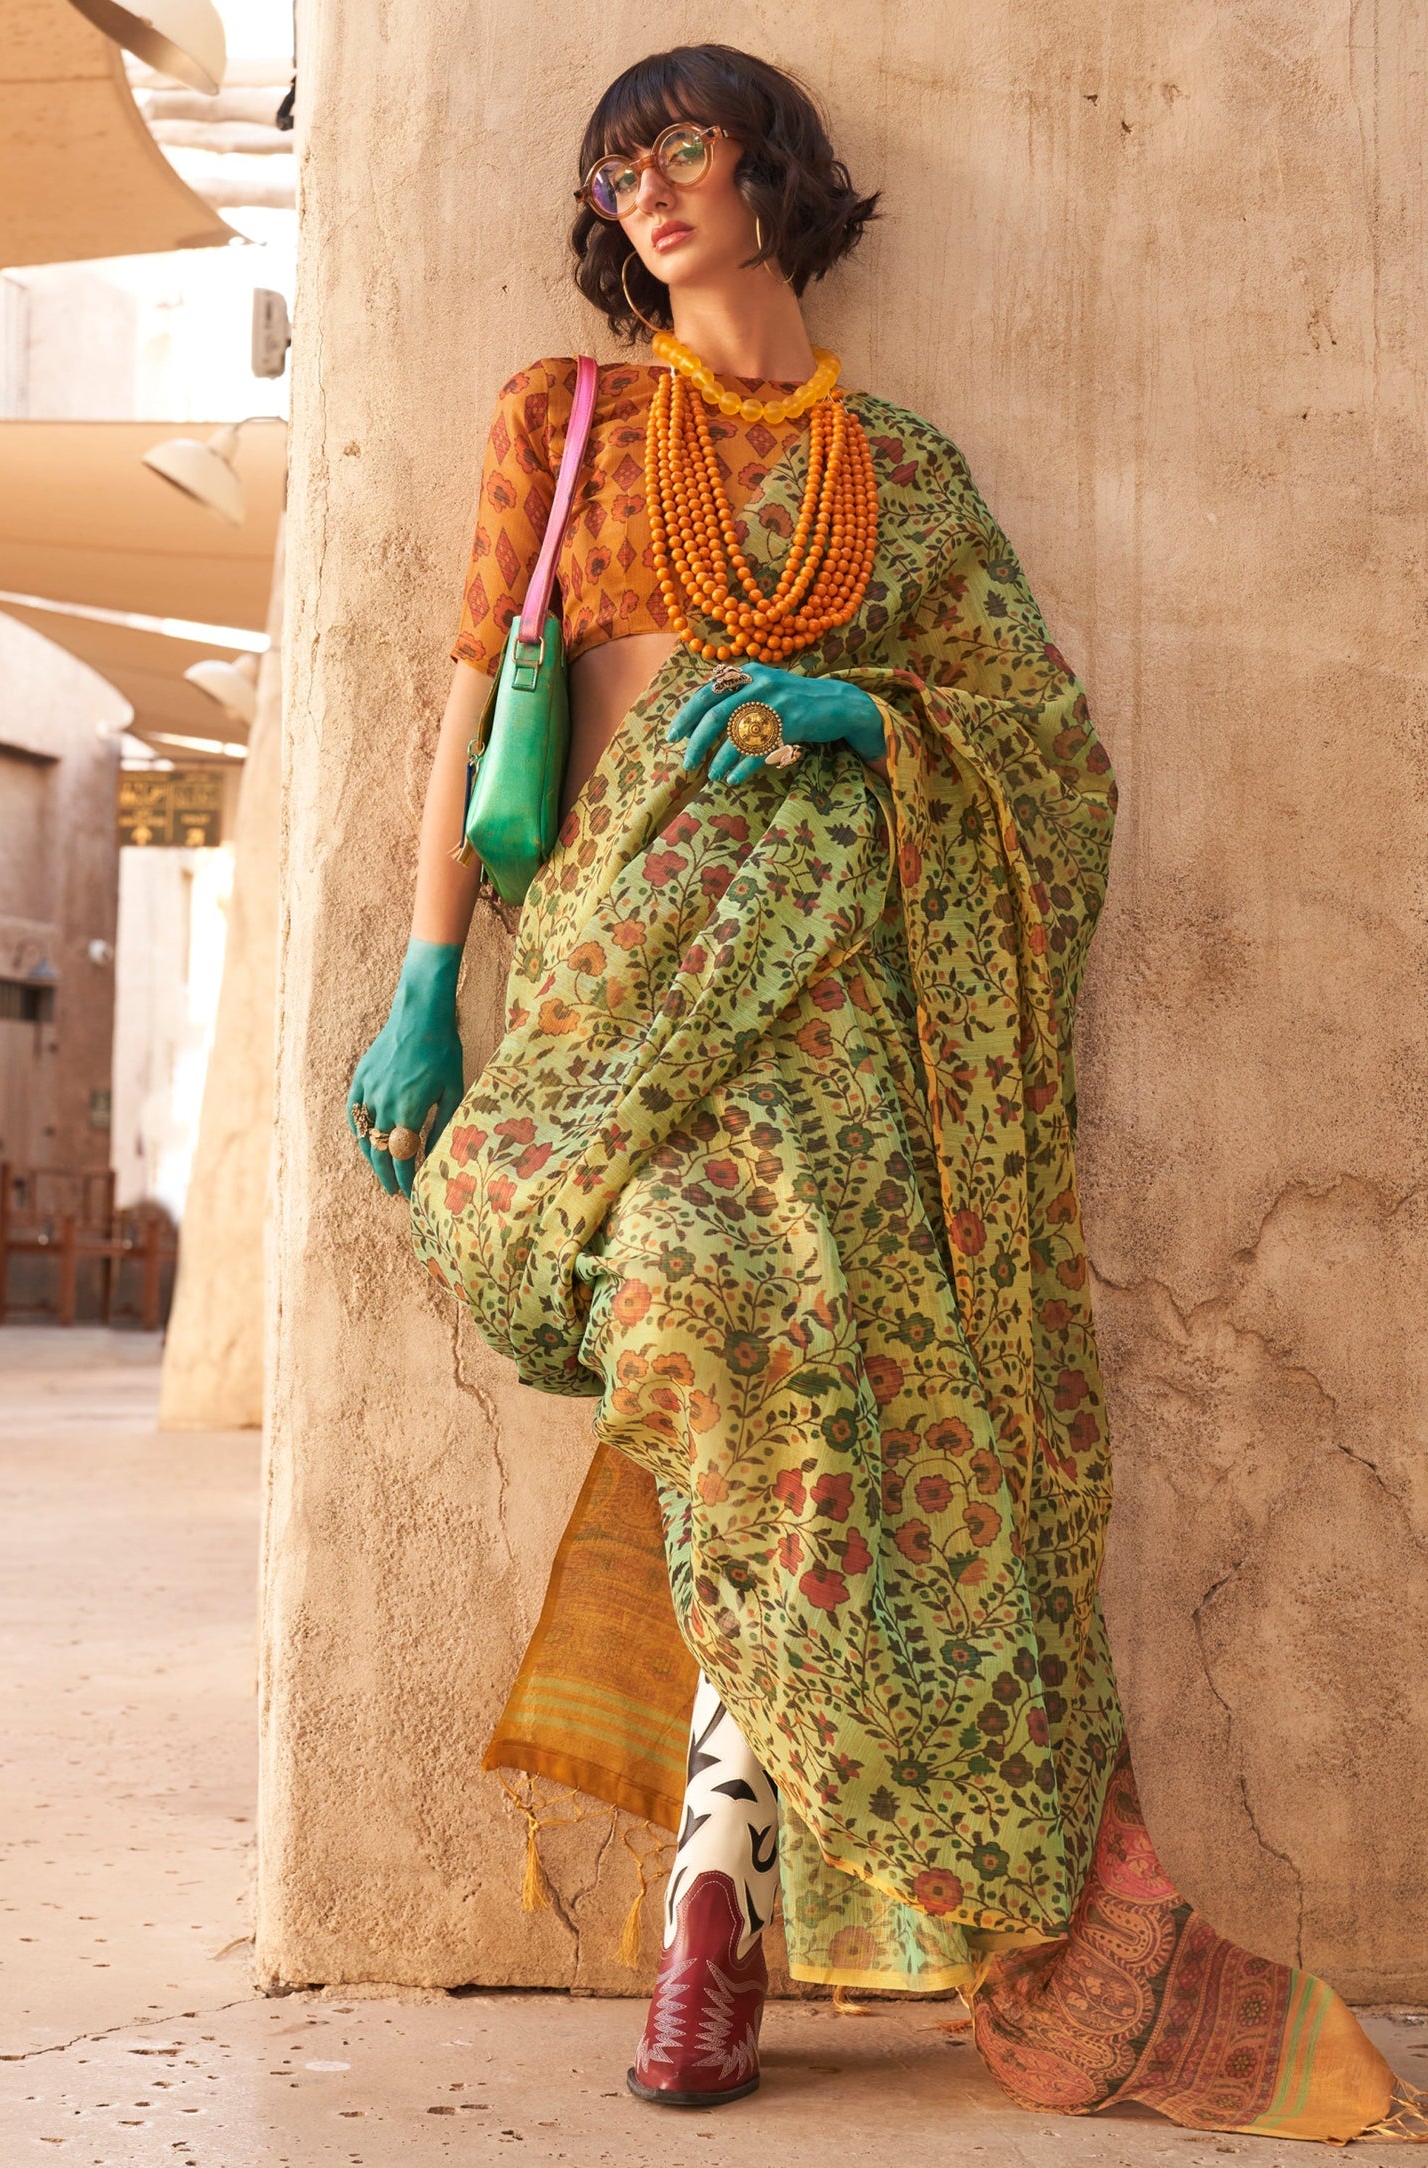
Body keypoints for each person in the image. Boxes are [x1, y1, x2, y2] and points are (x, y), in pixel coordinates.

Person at [347, 42, 1422, 2142]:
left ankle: (711, 1899)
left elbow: (1047, 757)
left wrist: (871, 715)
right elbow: (475, 697)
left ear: (776, 170)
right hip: (611, 1007)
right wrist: (421, 986)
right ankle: (741, 1868)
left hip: (854, 1038)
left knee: (814, 1409)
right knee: (680, 1317)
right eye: (613, 164)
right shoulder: (562, 425)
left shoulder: (903, 477)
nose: (645, 185)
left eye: (681, 144)